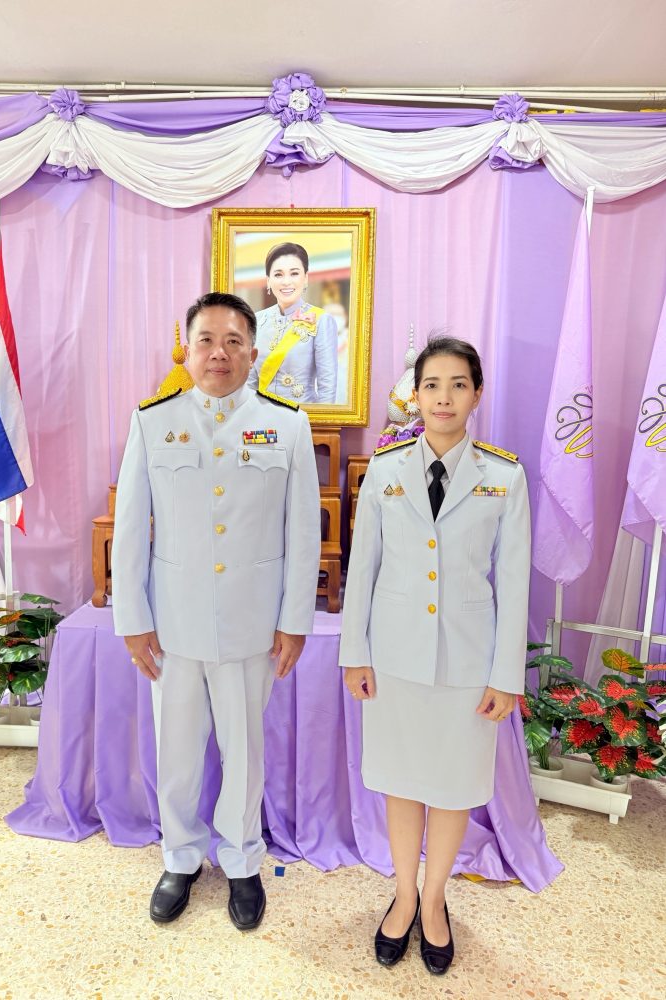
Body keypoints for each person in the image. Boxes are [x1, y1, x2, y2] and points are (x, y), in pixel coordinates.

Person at [112, 292, 321, 931]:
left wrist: (294, 621)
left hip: (253, 625)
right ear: (188, 349)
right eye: (206, 340)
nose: (219, 353)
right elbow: (131, 529)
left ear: (253, 353)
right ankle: (179, 856)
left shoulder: (287, 425)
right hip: (173, 627)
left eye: (233, 342)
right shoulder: (153, 422)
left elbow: (302, 533)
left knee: (245, 751)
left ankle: (242, 860)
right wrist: (132, 618)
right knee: (176, 751)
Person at [339, 336, 531, 974]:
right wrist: (355, 653)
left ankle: (434, 898)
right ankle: (402, 895)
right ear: (415, 395)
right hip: (394, 660)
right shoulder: (385, 470)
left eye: (457, 384)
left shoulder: (504, 477)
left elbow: (514, 584)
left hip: (467, 666)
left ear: (477, 395)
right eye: (431, 385)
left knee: (451, 787)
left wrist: (506, 675)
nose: (443, 397)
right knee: (401, 783)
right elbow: (362, 569)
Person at [247, 242, 338, 404]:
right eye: (278, 275)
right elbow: (250, 381)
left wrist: (323, 419)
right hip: (262, 416)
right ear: (268, 281)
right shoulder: (257, 320)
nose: (286, 282)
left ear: (306, 278)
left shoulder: (321, 320)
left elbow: (327, 387)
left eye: (294, 273)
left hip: (303, 415)